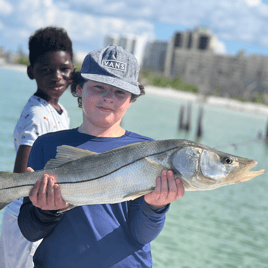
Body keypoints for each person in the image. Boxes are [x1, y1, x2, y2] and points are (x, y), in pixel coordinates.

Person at [18, 45, 185, 268]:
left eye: (120, 92)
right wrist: (45, 212)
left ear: (131, 99)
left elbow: (141, 235)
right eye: (99, 87)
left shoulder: (149, 150)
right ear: (78, 88)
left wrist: (155, 207)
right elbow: (30, 231)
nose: (109, 98)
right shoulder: (47, 145)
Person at [0, 27, 74, 268]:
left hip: (40, 211)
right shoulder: (38, 115)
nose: (57, 76)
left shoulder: (60, 112)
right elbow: (22, 176)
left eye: (64, 69)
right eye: (46, 70)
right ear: (31, 72)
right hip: (26, 215)